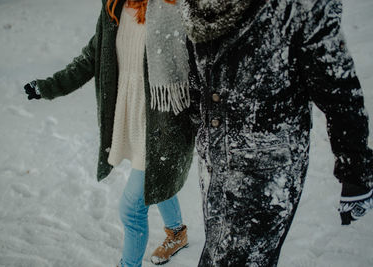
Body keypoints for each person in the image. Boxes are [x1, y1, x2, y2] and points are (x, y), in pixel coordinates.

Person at [180, 0, 373, 266]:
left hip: (266, 169)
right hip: (214, 158)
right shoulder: (197, 5)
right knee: (217, 249)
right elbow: (197, 78)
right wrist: (197, 123)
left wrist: (355, 169)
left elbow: (339, 91)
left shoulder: (299, 7)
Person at [23, 0, 195, 266]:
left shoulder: (173, 9)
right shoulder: (115, 8)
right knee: (156, 179)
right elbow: (92, 57)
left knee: (131, 209)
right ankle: (177, 233)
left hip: (162, 124)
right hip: (129, 115)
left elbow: (197, 69)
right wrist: (48, 87)